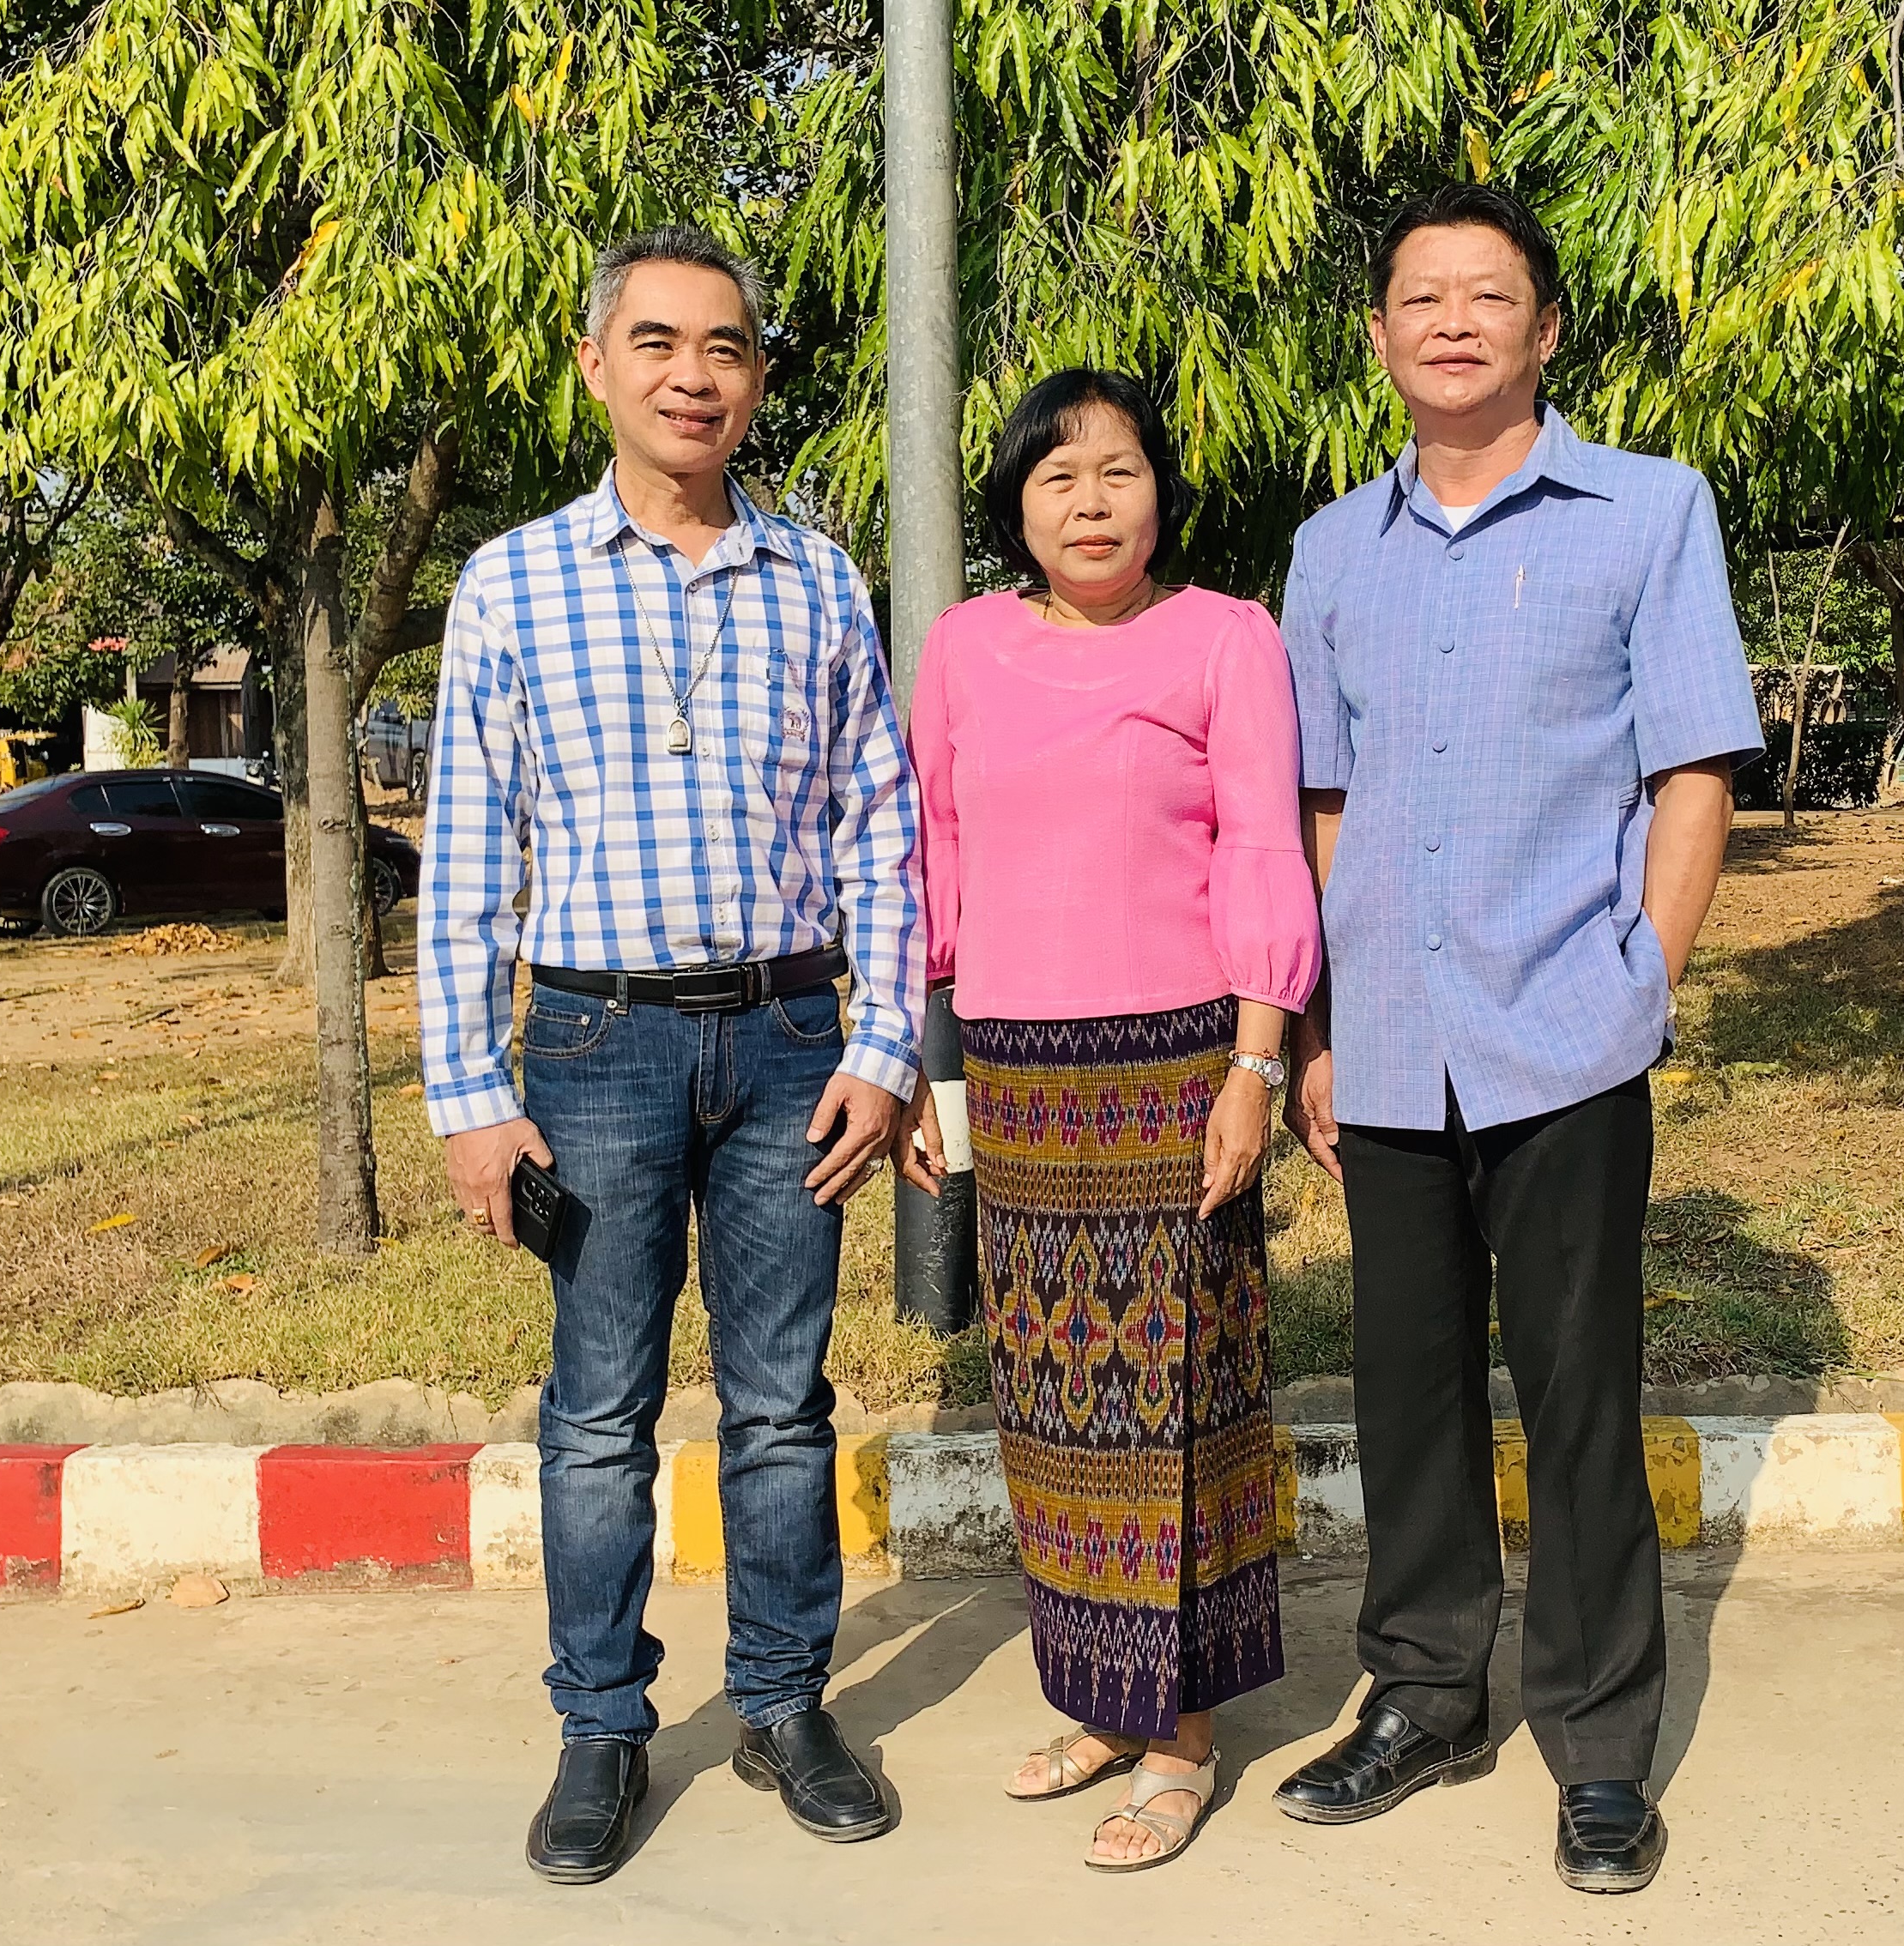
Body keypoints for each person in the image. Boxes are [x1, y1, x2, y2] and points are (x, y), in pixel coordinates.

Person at [1266, 183, 1762, 1896]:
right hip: (1390, 1043)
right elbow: (1324, 800)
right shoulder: (1334, 551)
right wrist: (1320, 1024)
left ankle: (1600, 1744)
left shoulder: (1648, 511)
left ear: (1545, 329)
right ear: (1382, 337)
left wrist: (1641, 985)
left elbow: (1692, 769)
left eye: (1489, 296)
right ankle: (1424, 1695)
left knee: (1577, 1393)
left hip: (1567, 1033)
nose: (1454, 323)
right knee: (1405, 1393)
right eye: (1423, 298)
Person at [416, 227, 923, 1886]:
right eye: (657, 342)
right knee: (596, 1411)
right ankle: (599, 1725)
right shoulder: (511, 581)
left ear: (758, 378)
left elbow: (878, 824)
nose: (692, 376)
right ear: (596, 365)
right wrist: (469, 1093)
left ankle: (781, 1702)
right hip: (594, 1043)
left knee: (780, 1401)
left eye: (725, 347)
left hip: (789, 1041)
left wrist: (885, 1042)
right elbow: (469, 852)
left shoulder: (817, 578)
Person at [895, 369, 1321, 1871]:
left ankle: (1182, 1734)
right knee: (1052, 1403)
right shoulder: (964, 647)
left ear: (1161, 492)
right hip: (1017, 1074)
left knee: (1172, 1405)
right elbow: (934, 861)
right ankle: (1095, 1695)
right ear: (1016, 505)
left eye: (1119, 470)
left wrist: (1256, 1065)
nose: (1090, 500)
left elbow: (1265, 848)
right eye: (1057, 475)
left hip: (1171, 1069)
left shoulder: (1227, 637)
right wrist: (923, 1073)